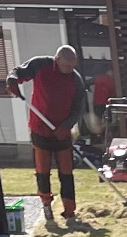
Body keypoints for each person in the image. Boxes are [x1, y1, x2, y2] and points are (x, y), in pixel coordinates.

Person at [6, 44, 88, 224]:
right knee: (42, 171)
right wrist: (12, 81)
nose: (70, 70)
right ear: (57, 60)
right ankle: (46, 204)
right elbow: (17, 73)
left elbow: (78, 109)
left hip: (62, 133)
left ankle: (69, 211)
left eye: (73, 66)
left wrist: (66, 126)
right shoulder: (40, 65)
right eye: (67, 66)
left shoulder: (76, 80)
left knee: (66, 172)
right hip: (39, 129)